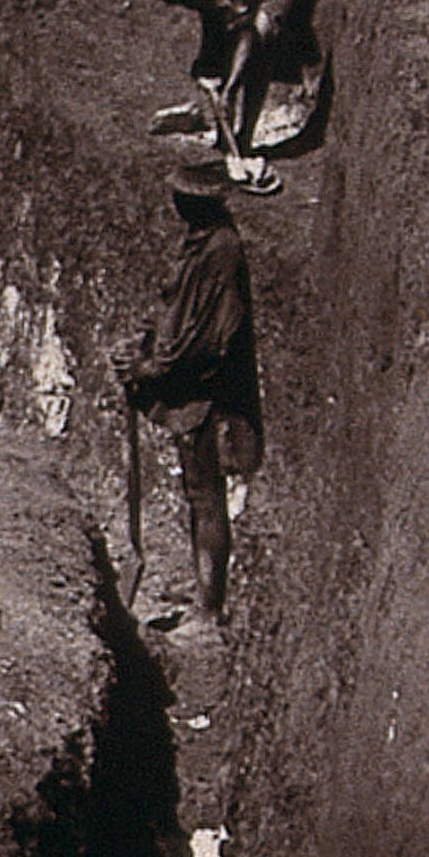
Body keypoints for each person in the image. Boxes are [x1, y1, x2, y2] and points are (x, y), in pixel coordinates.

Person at [115, 162, 263, 624]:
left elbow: (209, 336)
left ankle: (209, 607)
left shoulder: (223, 252)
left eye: (182, 197)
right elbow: (171, 305)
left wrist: (154, 369)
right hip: (190, 383)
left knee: (206, 496)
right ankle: (203, 590)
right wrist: (141, 343)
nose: (175, 204)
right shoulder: (197, 242)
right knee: (196, 491)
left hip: (211, 394)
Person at [132, 0, 319, 191]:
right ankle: (226, 136)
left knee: (260, 50)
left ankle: (244, 139)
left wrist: (230, 86)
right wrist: (207, 63)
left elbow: (247, 36)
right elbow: (214, 20)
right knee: (222, 66)